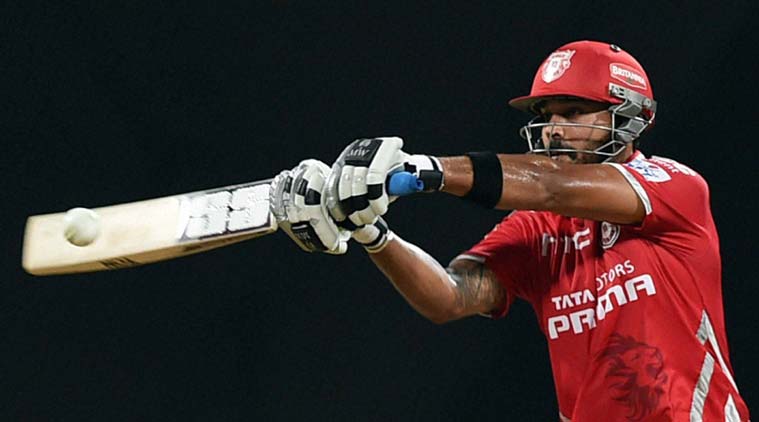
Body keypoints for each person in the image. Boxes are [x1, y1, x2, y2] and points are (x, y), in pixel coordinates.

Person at [269, 40, 750, 421]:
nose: (554, 129)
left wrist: (423, 169)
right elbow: (449, 297)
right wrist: (371, 231)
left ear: (627, 116)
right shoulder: (539, 228)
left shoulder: (676, 188)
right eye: (547, 116)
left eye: (573, 112)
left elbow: (549, 186)